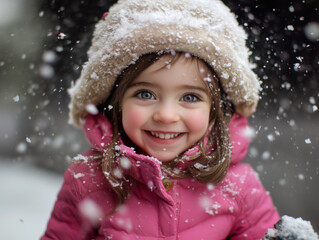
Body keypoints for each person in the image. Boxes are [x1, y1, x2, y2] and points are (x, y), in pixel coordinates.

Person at [41, 0, 280, 239]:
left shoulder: (238, 187)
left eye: (189, 96)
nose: (166, 115)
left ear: (216, 109)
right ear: (116, 103)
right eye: (145, 94)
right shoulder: (89, 179)